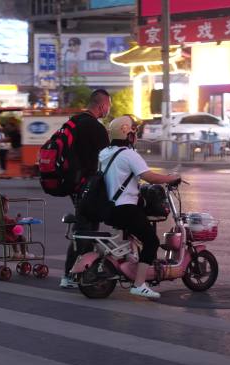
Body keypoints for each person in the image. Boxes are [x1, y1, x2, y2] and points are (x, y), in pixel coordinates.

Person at [101, 115, 181, 298]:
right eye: (133, 132)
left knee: (137, 232)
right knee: (151, 241)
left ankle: (132, 264)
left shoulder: (104, 153)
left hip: (110, 208)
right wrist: (171, 178)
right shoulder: (129, 155)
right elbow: (150, 177)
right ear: (127, 134)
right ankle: (139, 284)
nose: (135, 136)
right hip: (126, 208)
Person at [61, 89, 111, 289]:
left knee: (86, 228)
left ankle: (82, 272)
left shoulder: (74, 122)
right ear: (101, 106)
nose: (108, 109)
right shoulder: (96, 128)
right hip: (88, 186)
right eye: (108, 105)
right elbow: (108, 158)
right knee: (85, 231)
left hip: (74, 184)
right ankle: (70, 274)